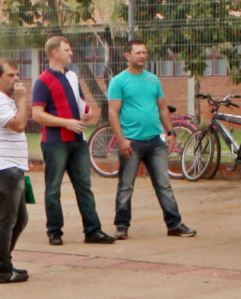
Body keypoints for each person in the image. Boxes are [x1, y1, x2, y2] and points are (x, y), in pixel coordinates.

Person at [109, 36, 192, 240]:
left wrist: (170, 132)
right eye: (138, 52)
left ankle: (174, 224)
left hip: (155, 141)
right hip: (131, 142)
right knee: (126, 185)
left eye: (144, 52)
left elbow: (163, 108)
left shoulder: (153, 79)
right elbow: (113, 112)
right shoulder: (119, 81)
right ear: (127, 55)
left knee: (164, 184)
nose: (142, 56)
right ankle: (121, 225)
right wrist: (121, 139)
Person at [34, 36, 112, 248]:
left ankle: (93, 230)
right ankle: (54, 231)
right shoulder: (43, 81)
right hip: (55, 141)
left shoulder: (72, 77)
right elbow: (38, 114)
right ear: (55, 53)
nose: (71, 53)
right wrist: (65, 123)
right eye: (67, 50)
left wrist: (86, 114)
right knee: (54, 188)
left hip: (78, 140)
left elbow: (81, 103)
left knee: (84, 186)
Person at [0, 58, 32, 284]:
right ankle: (1, 269)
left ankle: (4, 263)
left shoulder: (7, 100)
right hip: (4, 169)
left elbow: (22, 120)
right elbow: (19, 125)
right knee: (6, 220)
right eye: (11, 75)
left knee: (19, 219)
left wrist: (20, 101)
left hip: (13, 167)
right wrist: (21, 99)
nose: (16, 79)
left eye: (17, 74)